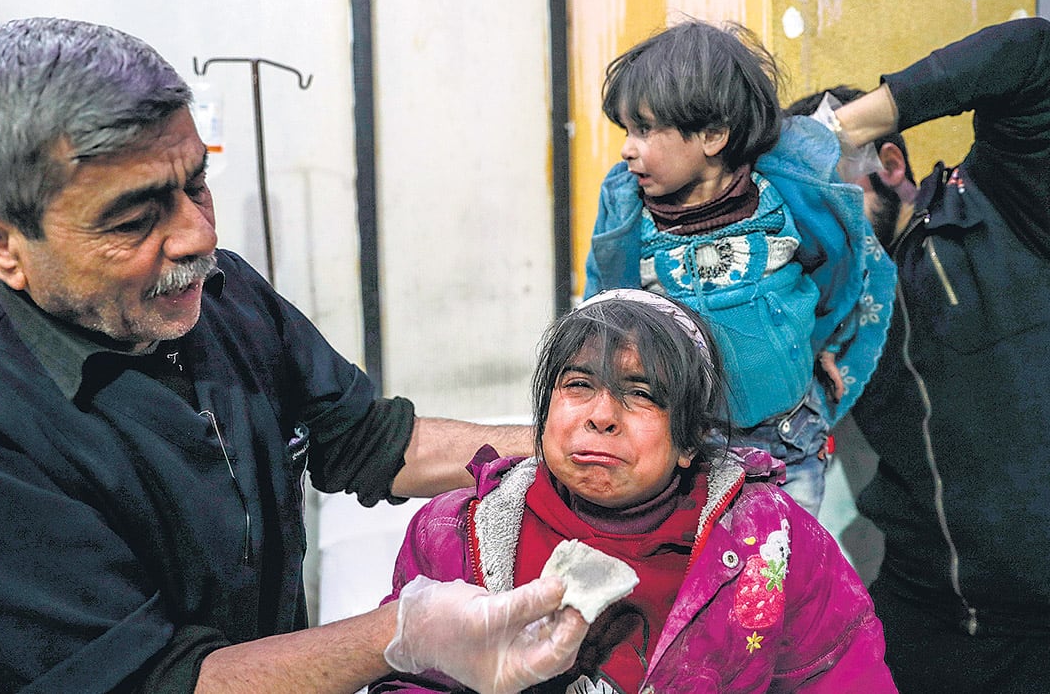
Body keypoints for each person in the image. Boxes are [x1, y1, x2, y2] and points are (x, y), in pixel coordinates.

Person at [0, 17, 591, 693]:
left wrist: (565, 450)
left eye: (195, 183)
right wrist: (401, 634)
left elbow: (366, 439)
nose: (195, 236)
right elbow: (156, 681)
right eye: (132, 217)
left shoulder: (218, 294)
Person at [369, 289, 895, 693]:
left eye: (640, 395)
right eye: (577, 386)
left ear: (689, 439)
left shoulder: (773, 543)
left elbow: (838, 672)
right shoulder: (454, 535)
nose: (601, 416)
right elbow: (411, 680)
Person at [787, 16, 1050, 693]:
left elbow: (1033, 52)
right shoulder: (814, 308)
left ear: (886, 164)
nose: (812, 224)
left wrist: (839, 128)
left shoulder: (999, 207)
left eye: (825, 191)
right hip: (925, 613)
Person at [582, 18, 895, 517]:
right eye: (626, 130)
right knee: (707, 578)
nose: (627, 148)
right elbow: (604, 311)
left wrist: (834, 343)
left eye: (643, 129)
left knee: (780, 573)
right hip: (689, 456)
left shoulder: (782, 202)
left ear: (712, 135)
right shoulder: (629, 218)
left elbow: (840, 271)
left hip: (791, 446)